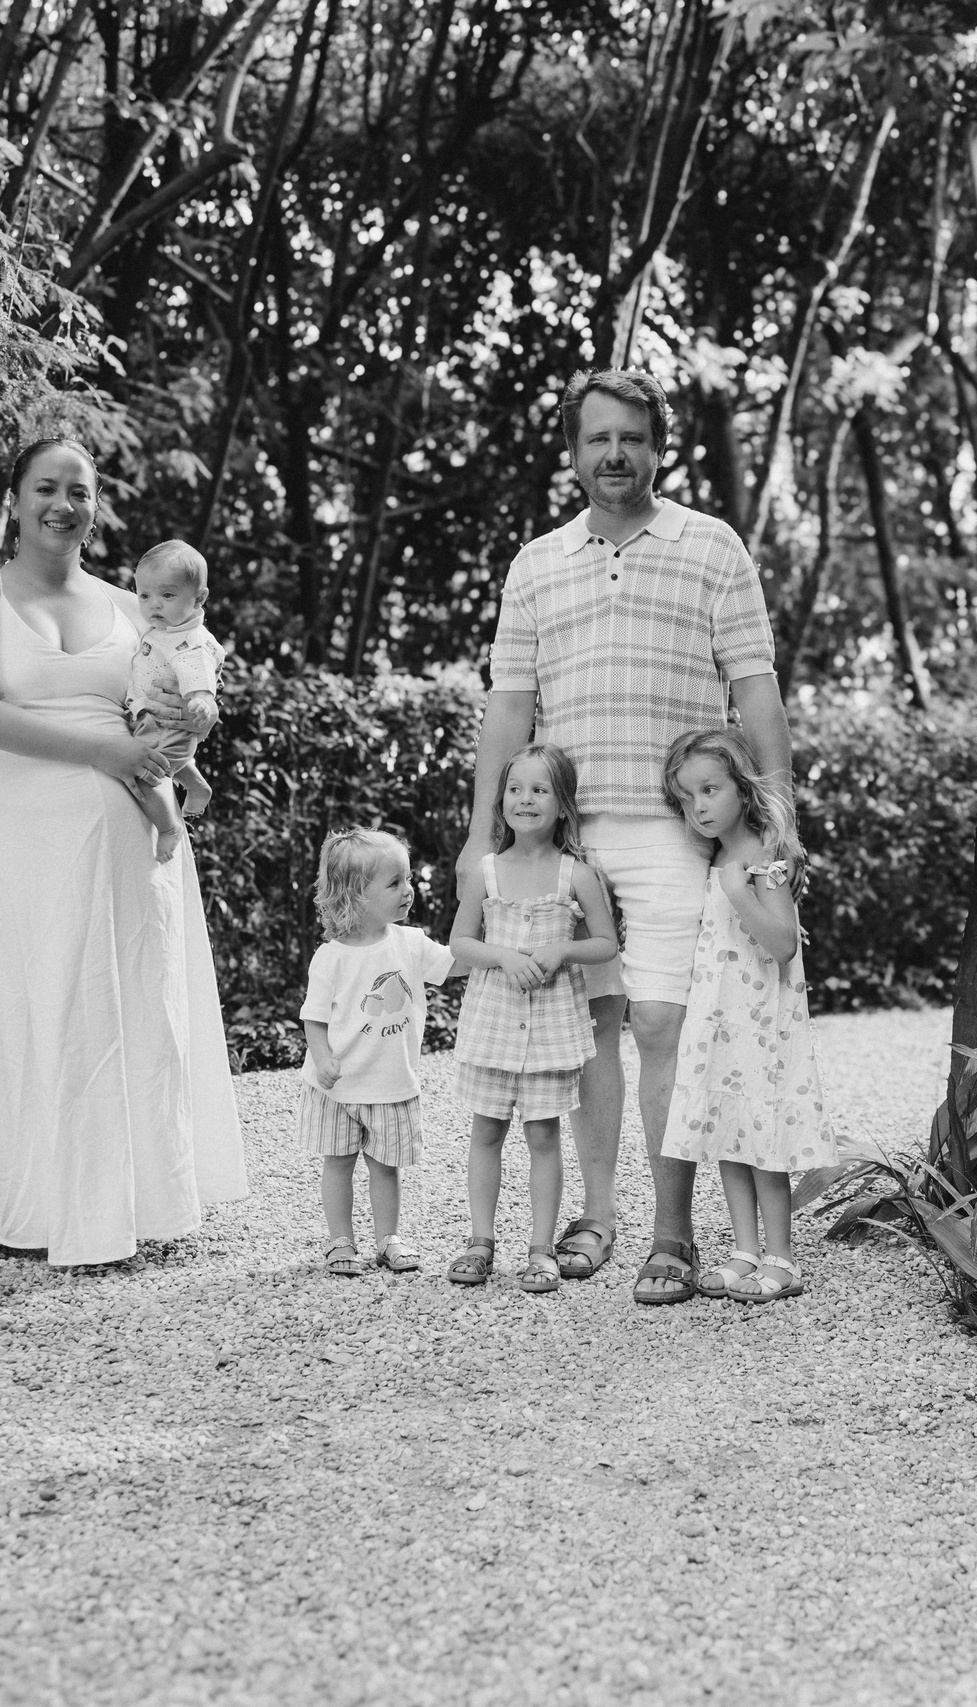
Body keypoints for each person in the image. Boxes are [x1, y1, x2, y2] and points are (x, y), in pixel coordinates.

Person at [464, 370, 792, 1305]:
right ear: (573, 452)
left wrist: (780, 815)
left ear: (659, 446)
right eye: (598, 438)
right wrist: (479, 834)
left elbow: (757, 688)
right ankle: (598, 1216)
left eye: (633, 438)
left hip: (671, 833)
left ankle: (673, 1232)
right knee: (586, 1033)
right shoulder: (536, 562)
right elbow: (509, 706)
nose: (616, 454)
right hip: (563, 839)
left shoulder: (711, 546)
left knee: (663, 1026)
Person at [0, 437, 247, 1268]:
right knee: (26, 1004)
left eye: (81, 490)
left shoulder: (130, 604)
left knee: (124, 1008)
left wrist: (185, 757)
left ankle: (131, 1198)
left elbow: (160, 699)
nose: (64, 504)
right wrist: (101, 754)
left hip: (131, 840)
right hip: (26, 838)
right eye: (46, 487)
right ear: (16, 495)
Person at [656, 727, 832, 1302]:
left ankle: (781, 1258)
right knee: (730, 1130)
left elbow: (782, 944)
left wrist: (740, 893)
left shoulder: (762, 857)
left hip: (760, 1018)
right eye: (686, 797)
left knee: (763, 1133)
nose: (698, 806)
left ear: (743, 787)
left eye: (709, 790)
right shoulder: (716, 855)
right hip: (719, 1017)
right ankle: (744, 1251)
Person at [443, 744, 620, 1293]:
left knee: (543, 1136)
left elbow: (606, 944)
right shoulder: (487, 872)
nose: (525, 799)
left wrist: (560, 952)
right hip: (493, 1022)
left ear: (562, 803)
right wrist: (504, 956)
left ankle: (541, 1248)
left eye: (540, 790)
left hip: (549, 1027)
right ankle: (480, 1241)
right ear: (501, 802)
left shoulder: (577, 875)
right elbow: (460, 942)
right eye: (516, 789)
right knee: (487, 1131)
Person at [301, 829, 463, 1278]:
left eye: (407, 879)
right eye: (394, 883)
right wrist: (323, 1058)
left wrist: (498, 947)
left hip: (391, 1083)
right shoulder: (330, 957)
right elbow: (313, 1017)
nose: (408, 890)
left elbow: (456, 964)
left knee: (386, 1167)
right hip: (337, 1087)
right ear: (355, 895)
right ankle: (340, 1243)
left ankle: (388, 1239)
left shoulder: (410, 943)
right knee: (337, 1165)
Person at [122, 540, 224, 864]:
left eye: (167, 595)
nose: (154, 605)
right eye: (145, 595)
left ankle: (167, 827)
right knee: (172, 761)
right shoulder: (166, 628)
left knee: (143, 773)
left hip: (166, 725)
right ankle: (197, 788)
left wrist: (203, 704)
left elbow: (202, 684)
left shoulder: (188, 643)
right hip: (158, 723)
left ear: (199, 599)